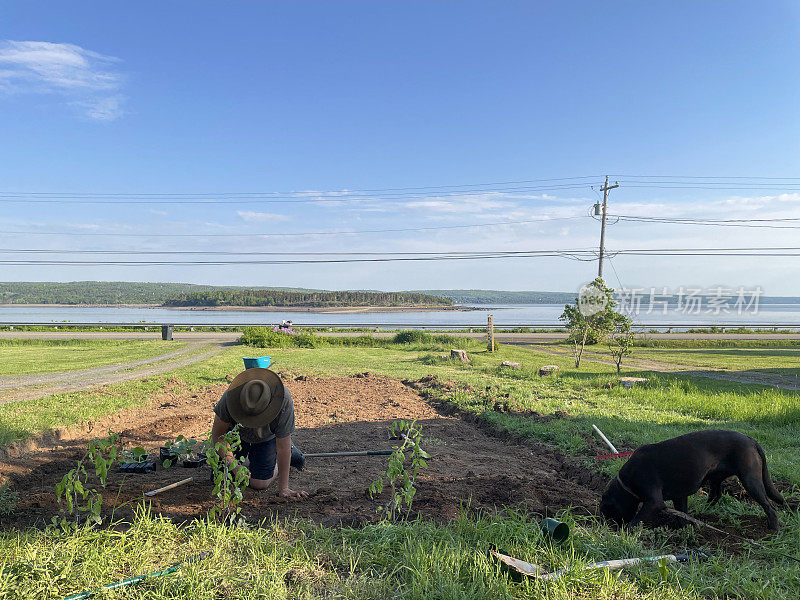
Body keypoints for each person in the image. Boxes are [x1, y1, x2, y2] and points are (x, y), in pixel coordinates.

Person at [210, 367, 308, 498]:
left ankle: (288, 456)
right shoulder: (229, 398)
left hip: (266, 437)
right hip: (237, 436)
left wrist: (283, 488)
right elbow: (219, 436)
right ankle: (249, 460)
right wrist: (235, 467)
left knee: (259, 484)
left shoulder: (283, 400)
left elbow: (282, 446)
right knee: (221, 477)